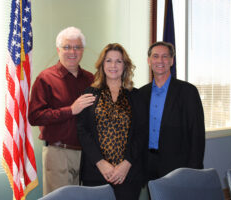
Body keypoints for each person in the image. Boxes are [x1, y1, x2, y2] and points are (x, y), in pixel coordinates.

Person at [28, 27, 95, 195]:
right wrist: (70, 110)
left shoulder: (91, 79)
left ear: (82, 50)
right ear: (58, 50)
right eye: (66, 47)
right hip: (58, 154)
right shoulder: (45, 79)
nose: (72, 51)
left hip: (87, 155)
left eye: (77, 47)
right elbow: (35, 117)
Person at [77, 43, 145, 200]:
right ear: (102, 64)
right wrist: (100, 163)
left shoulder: (136, 96)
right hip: (96, 172)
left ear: (125, 66)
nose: (113, 65)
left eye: (118, 61)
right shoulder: (90, 94)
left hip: (127, 174)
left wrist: (126, 163)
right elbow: (82, 131)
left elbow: (142, 133)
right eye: (108, 60)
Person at [138, 41, 205, 182]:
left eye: (165, 56)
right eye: (155, 56)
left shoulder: (188, 92)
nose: (160, 60)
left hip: (178, 165)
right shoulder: (141, 93)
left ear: (171, 61)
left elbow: (197, 134)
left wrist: (195, 169)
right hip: (148, 164)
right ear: (149, 61)